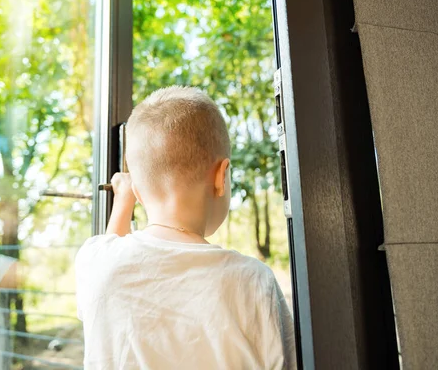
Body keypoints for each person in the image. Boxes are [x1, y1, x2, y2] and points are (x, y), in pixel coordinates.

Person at [75, 86, 296, 369]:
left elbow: (109, 255)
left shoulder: (95, 261)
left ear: (139, 193)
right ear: (222, 176)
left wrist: (123, 200)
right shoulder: (254, 281)